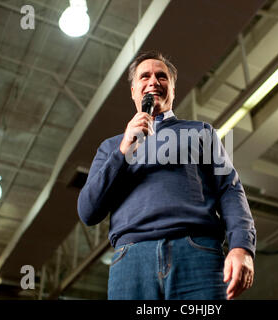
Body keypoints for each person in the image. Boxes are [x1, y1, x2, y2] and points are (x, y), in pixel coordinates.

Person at [77, 51, 256, 300]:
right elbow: (88, 211)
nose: (153, 81)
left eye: (162, 76)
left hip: (196, 253)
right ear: (133, 91)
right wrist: (123, 150)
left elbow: (230, 189)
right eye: (145, 76)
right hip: (131, 261)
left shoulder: (200, 132)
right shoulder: (111, 147)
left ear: (172, 88)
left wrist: (241, 246)